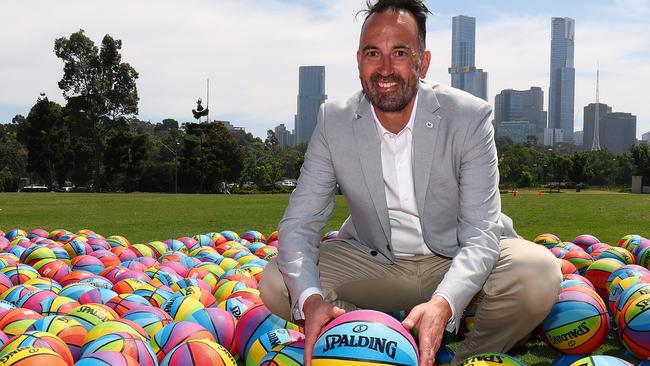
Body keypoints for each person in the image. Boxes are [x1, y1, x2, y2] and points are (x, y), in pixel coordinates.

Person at [259, 1, 561, 365]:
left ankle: (464, 357)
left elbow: (482, 233)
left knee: (538, 272)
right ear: (359, 61)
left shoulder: (468, 116)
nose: (385, 68)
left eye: (400, 52)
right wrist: (310, 300)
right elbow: (300, 222)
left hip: (453, 256)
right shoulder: (333, 119)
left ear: (424, 61)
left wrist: (444, 302)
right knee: (279, 281)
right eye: (374, 53)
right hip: (376, 261)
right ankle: (366, 343)